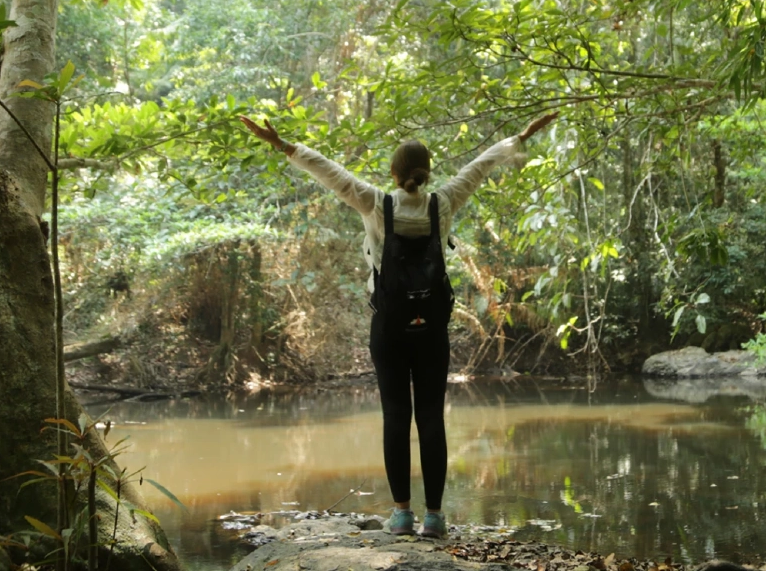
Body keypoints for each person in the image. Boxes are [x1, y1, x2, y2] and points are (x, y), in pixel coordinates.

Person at [239, 111, 558, 539]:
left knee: (395, 416)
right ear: (426, 174)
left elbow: (328, 172)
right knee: (431, 418)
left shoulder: (374, 202)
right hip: (432, 330)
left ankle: (402, 515)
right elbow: (481, 166)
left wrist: (282, 145)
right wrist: (520, 135)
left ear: (394, 173)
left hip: (388, 328)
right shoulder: (443, 202)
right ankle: (435, 517)